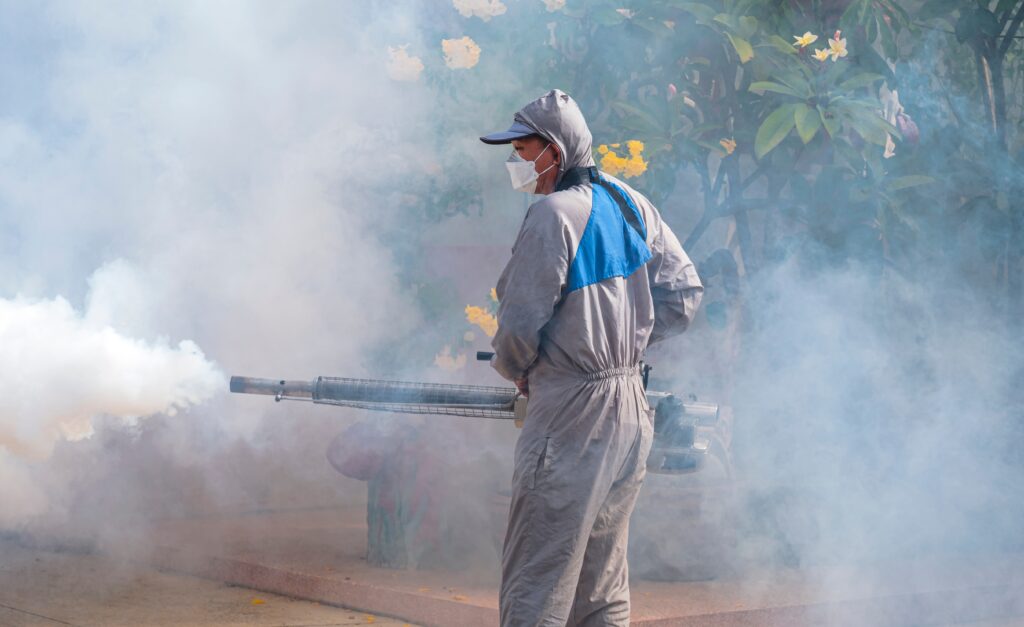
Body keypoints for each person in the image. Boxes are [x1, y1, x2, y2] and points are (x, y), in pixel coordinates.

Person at [479, 89, 703, 626]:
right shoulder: (630, 201)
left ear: (554, 150)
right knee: (601, 587)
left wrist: (527, 373)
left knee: (538, 580)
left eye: (522, 148)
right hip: (630, 410)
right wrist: (624, 345)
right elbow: (685, 293)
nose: (516, 161)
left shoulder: (553, 214)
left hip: (571, 414)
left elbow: (517, 326)